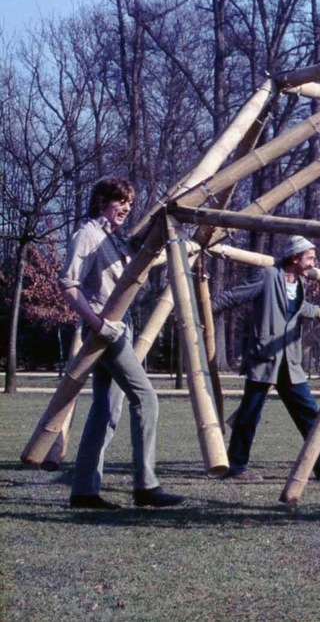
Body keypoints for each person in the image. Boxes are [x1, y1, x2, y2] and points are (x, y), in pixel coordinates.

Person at [60, 177, 183, 509]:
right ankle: (146, 485)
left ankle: (84, 492)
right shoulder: (87, 235)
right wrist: (98, 324)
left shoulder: (111, 237)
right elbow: (68, 284)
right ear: (102, 202)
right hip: (105, 330)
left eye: (130, 203)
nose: (127, 208)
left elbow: (137, 249)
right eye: (121, 202)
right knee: (146, 398)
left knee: (106, 410)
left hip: (118, 328)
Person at [210, 235, 320, 482]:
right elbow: (235, 296)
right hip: (265, 357)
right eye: (310, 258)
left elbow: (296, 308)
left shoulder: (299, 283)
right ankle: (236, 467)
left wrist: (319, 312)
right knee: (249, 415)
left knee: (309, 412)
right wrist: (202, 311)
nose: (314, 262)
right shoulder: (268, 276)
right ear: (295, 257)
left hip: (289, 360)